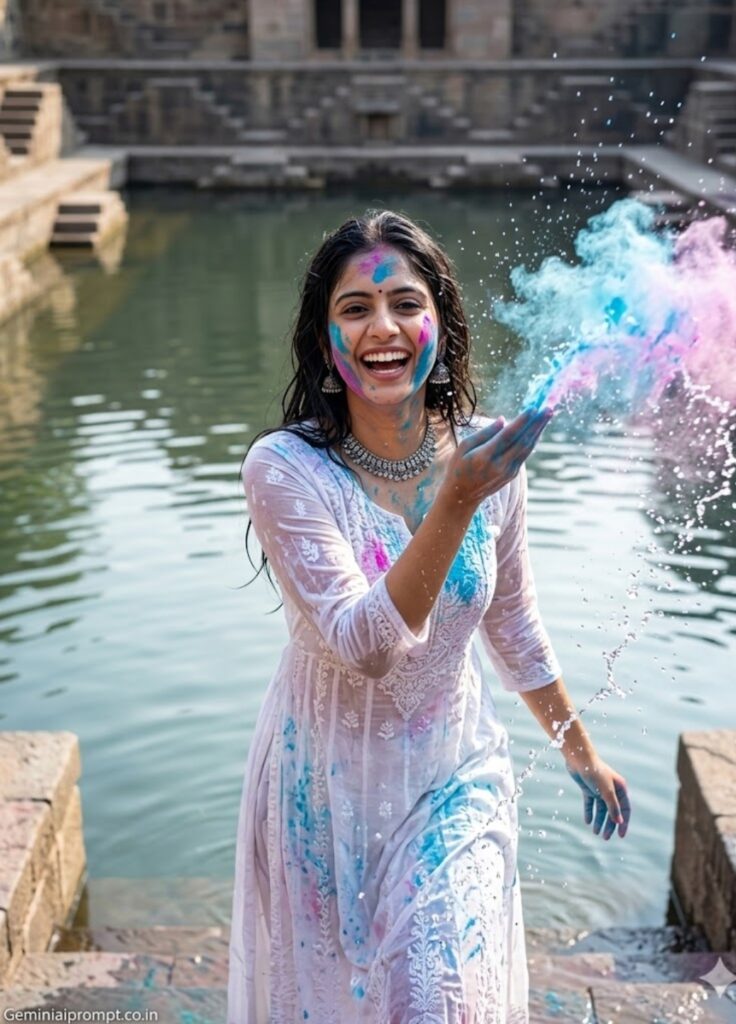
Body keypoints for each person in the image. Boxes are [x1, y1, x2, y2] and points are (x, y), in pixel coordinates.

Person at [227, 210, 630, 1024]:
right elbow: (364, 645)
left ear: (439, 327)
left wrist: (580, 751)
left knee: (442, 1002)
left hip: (454, 773)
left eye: (407, 304)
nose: (384, 327)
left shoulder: (486, 458)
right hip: (321, 790)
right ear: (324, 343)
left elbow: (512, 623)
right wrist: (456, 501)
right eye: (355, 309)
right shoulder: (285, 468)